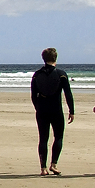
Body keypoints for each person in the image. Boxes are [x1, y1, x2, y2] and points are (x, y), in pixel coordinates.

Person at [31, 48, 75, 176]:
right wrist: (71, 110)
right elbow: (68, 94)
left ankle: (43, 168)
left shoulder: (37, 75)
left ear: (43, 58)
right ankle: (54, 164)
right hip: (56, 109)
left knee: (43, 138)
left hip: (42, 110)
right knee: (58, 137)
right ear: (56, 58)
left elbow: (33, 95)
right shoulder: (61, 74)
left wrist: (37, 108)